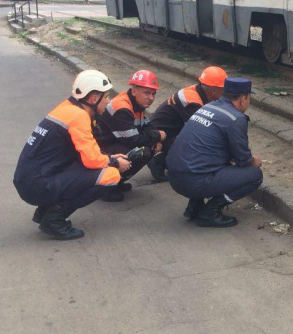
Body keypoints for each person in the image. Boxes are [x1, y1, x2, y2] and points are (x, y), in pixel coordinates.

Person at [13, 70, 131, 240]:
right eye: (106, 96)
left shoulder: (66, 108)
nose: (109, 101)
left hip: (29, 181)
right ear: (93, 98)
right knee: (110, 176)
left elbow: (84, 151)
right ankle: (54, 220)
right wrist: (114, 162)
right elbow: (92, 160)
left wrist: (109, 158)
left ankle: (45, 211)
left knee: (91, 166)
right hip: (37, 185)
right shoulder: (79, 116)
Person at [167, 77, 263, 228]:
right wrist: (254, 161)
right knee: (254, 175)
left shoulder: (207, 106)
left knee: (209, 157)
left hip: (173, 176)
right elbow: (243, 160)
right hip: (193, 182)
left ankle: (195, 206)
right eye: (249, 98)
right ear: (243, 98)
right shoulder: (236, 118)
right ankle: (210, 211)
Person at [147, 66, 228, 182]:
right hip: (160, 134)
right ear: (213, 90)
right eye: (222, 89)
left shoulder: (197, 91)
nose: (224, 93)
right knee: (196, 145)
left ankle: (172, 162)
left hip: (167, 131)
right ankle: (159, 162)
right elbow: (199, 131)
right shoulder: (192, 102)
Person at [95, 69, 166, 201]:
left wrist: (155, 136)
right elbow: (134, 140)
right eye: (147, 93)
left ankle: (116, 182)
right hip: (100, 150)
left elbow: (147, 124)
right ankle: (106, 187)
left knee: (146, 149)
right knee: (142, 152)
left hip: (112, 144)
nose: (151, 98)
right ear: (134, 91)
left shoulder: (135, 104)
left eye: (153, 94)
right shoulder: (123, 108)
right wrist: (157, 136)